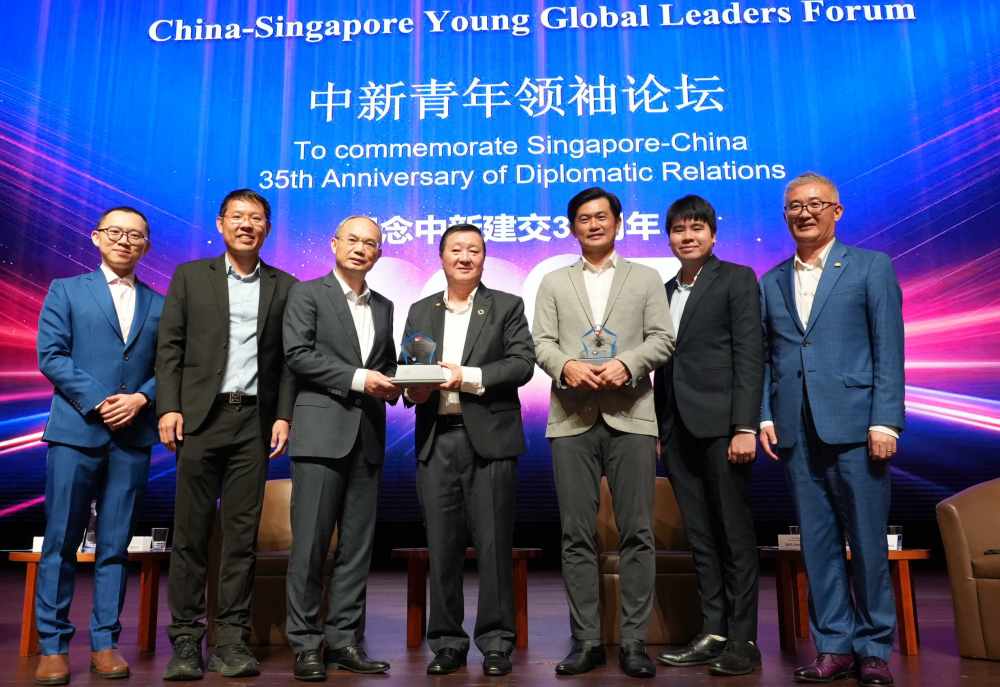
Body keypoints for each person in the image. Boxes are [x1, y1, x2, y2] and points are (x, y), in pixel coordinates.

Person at [759, 172, 904, 687]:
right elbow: (767, 357)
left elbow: (889, 347)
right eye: (794, 206)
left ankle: (874, 649)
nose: (804, 213)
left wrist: (886, 420)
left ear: (836, 211)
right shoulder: (771, 280)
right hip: (796, 431)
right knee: (817, 547)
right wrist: (765, 415)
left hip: (858, 427)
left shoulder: (870, 267)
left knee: (867, 544)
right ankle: (834, 647)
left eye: (815, 204)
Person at [533, 187, 674, 678]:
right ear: (572, 227)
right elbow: (541, 342)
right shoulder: (554, 281)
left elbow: (663, 339)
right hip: (571, 418)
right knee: (576, 535)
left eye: (601, 217)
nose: (593, 225)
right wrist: (566, 365)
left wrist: (627, 364)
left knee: (638, 531)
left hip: (631, 414)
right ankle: (587, 640)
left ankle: (634, 642)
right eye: (583, 218)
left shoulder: (646, 278)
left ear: (618, 222)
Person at [156, 189, 296, 680]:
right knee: (191, 534)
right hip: (199, 419)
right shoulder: (191, 276)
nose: (246, 225)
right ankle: (185, 640)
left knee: (241, 537)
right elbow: (169, 347)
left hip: (252, 422)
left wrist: (283, 416)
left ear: (267, 229)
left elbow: (287, 362)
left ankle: (231, 640)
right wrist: (169, 406)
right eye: (237, 216)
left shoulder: (285, 285)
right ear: (220, 224)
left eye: (256, 218)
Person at [34, 207, 163, 686]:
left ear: (146, 245)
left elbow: (171, 365)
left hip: (132, 437)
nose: (125, 240)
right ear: (96, 237)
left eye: (135, 235)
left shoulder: (161, 303)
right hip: (76, 431)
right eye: (115, 232)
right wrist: (100, 401)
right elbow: (51, 355)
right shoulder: (66, 290)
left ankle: (105, 644)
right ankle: (53, 645)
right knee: (60, 543)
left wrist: (141, 398)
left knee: (115, 546)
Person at [400, 224, 535, 677]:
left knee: (494, 545)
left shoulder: (506, 306)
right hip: (437, 439)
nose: (464, 257)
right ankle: (447, 642)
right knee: (442, 547)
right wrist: (414, 390)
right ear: (441, 257)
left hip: (490, 440)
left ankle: (496, 642)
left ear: (484, 257)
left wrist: (467, 377)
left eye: (473, 250)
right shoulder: (421, 310)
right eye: (456, 249)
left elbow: (521, 364)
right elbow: (412, 370)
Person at [282, 216, 398, 679]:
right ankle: (305, 643)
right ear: (334, 244)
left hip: (367, 437)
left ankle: (344, 640)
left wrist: (405, 383)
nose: (360, 248)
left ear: (379, 253)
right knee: (310, 546)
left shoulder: (385, 306)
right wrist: (359, 379)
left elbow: (386, 364)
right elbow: (298, 355)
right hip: (319, 435)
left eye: (370, 243)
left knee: (356, 547)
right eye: (352, 240)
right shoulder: (307, 294)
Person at [652, 195, 763, 676]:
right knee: (699, 536)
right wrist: (661, 427)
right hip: (677, 430)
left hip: (724, 429)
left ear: (713, 235)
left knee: (734, 535)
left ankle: (743, 639)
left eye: (697, 228)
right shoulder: (663, 290)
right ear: (669, 238)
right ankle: (713, 631)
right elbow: (663, 363)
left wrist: (745, 426)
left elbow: (750, 355)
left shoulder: (737, 279)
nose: (688, 236)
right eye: (679, 229)